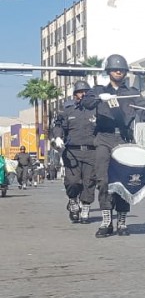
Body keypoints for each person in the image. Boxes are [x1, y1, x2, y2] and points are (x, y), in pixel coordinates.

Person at [81, 54, 145, 237]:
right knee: (103, 180)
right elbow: (86, 103)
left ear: (125, 72)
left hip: (123, 139)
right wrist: (99, 98)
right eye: (115, 69)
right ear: (108, 71)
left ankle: (122, 221)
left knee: (124, 181)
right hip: (103, 138)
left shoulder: (131, 92)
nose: (119, 72)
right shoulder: (98, 90)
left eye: (122, 70)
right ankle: (106, 221)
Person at [51, 80, 97, 223]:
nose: (83, 94)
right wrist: (58, 137)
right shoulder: (68, 110)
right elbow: (58, 125)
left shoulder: (96, 110)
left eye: (85, 92)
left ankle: (85, 207)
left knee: (89, 182)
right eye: (80, 92)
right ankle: (72, 200)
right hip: (72, 152)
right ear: (75, 94)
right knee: (72, 182)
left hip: (92, 152)